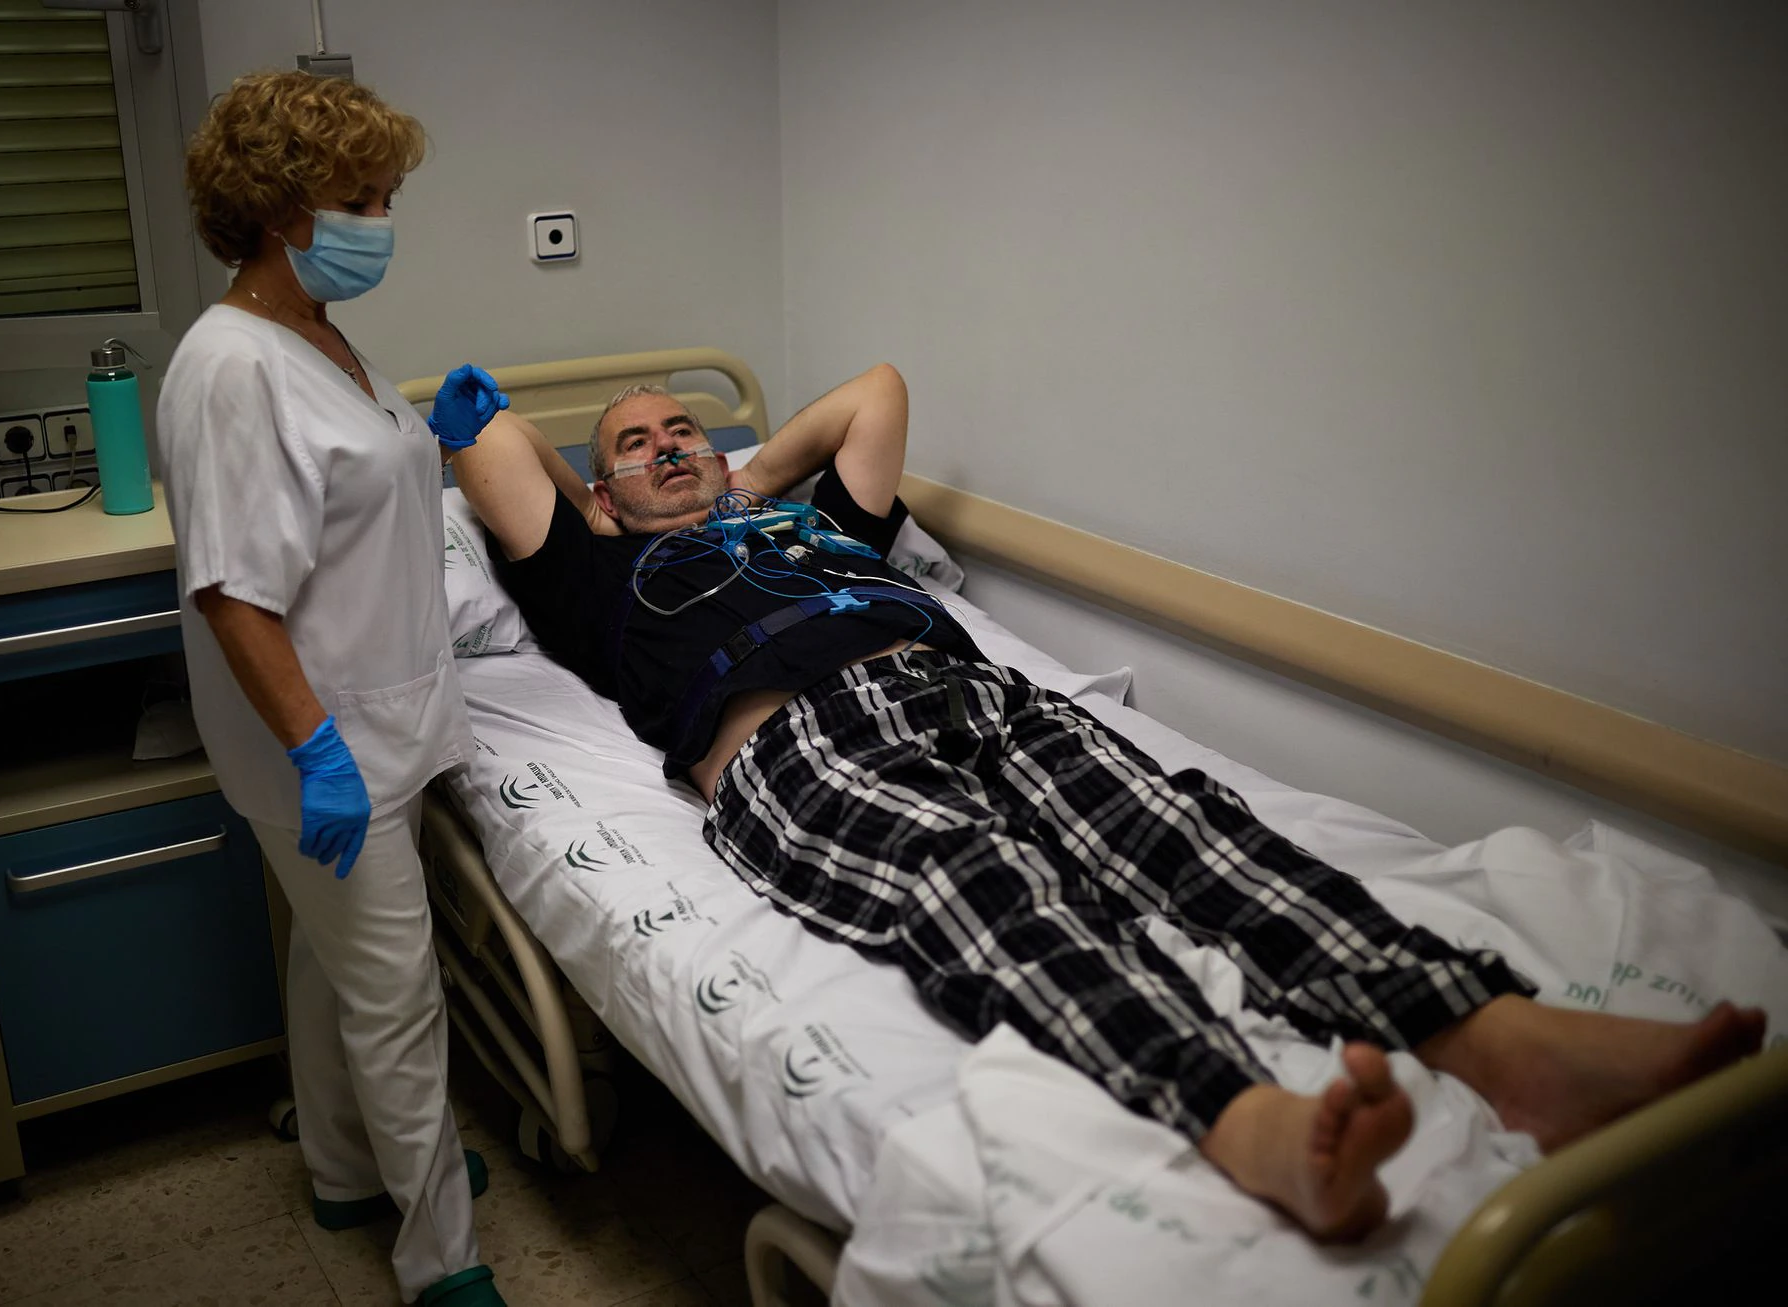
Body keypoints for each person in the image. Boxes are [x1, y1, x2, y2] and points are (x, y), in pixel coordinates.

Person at [453, 363, 1768, 1240]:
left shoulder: (802, 520)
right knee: (979, 891)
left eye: (686, 425)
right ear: (600, 486)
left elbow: (874, 395)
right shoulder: (595, 576)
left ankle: (1494, 1036)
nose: (669, 443)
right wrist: (600, 504)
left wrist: (744, 474)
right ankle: (1243, 1118)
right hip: (795, 742)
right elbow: (485, 438)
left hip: (969, 688)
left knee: (1199, 839)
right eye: (635, 442)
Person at [159, 72, 507, 1307]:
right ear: (280, 210)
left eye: (386, 193)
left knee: (333, 961)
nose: (383, 218)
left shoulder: (316, 330)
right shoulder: (231, 366)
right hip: (325, 737)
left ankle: (344, 1168)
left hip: (384, 713)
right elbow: (235, 592)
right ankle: (441, 1261)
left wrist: (437, 437)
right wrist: (315, 748)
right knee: (400, 995)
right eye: (363, 196)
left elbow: (353, 503)